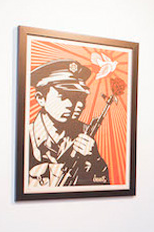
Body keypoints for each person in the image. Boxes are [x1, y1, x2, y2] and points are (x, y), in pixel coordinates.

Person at [27, 59, 109, 188]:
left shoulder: (84, 133)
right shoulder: (26, 137)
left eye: (79, 98)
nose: (74, 105)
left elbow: (102, 185)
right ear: (41, 98)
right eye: (64, 96)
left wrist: (94, 161)